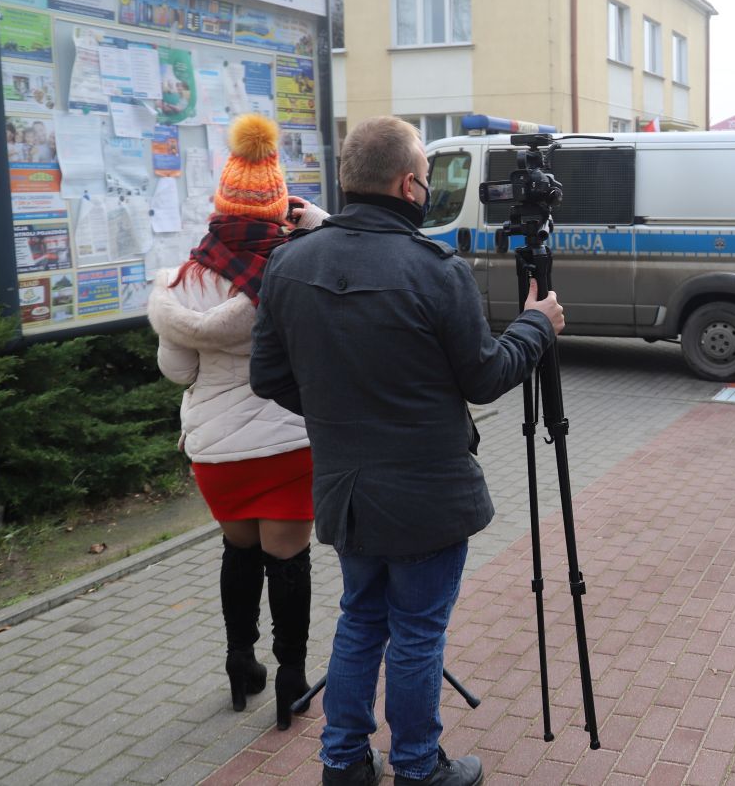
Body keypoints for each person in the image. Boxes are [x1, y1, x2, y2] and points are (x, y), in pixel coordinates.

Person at [250, 115, 564, 786]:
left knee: (361, 618)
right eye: (423, 178)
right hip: (426, 494)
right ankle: (418, 767)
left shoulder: (288, 262)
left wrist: (338, 413)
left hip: (348, 491)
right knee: (417, 632)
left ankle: (343, 763)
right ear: (409, 184)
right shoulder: (435, 272)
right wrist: (536, 326)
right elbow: (486, 375)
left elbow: (268, 377)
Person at [146, 113, 327, 730]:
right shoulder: (298, 268)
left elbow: (176, 370)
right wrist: (318, 224)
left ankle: (238, 664)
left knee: (238, 552)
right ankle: (292, 680)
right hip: (287, 442)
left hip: (217, 452)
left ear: (220, 204)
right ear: (281, 207)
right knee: (289, 563)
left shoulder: (184, 280)